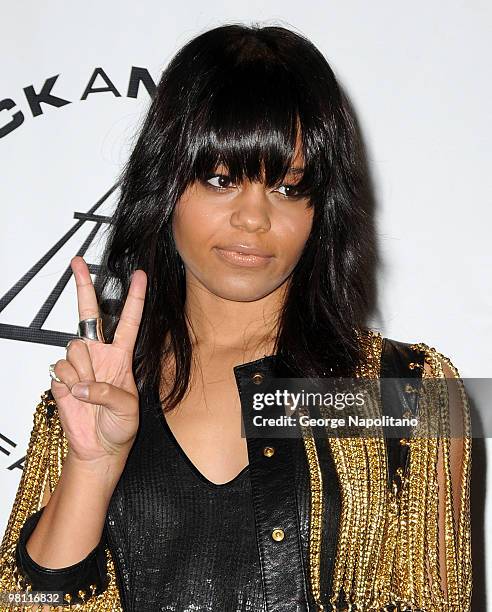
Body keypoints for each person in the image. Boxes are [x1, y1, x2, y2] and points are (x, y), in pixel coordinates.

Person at [0, 22, 471, 612]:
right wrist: (92, 470)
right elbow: (24, 604)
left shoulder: (407, 391)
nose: (253, 218)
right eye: (221, 180)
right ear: (166, 186)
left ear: (322, 208)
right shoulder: (89, 394)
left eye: (288, 187)